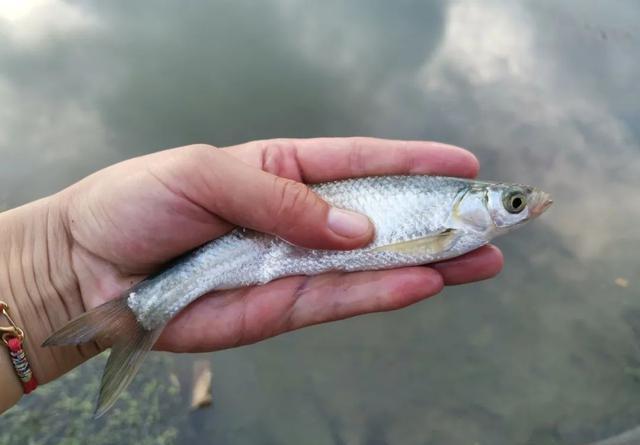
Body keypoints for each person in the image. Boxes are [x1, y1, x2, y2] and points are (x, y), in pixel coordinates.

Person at [0, 137, 503, 413]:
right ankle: (135, 314)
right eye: (515, 204)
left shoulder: (457, 226)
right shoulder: (451, 225)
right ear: (471, 207)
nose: (525, 209)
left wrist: (55, 273)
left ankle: (123, 317)